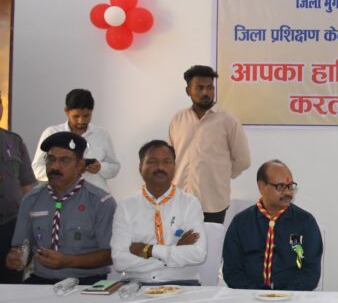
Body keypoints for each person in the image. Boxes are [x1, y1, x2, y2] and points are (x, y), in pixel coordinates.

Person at [5, 132, 116, 285]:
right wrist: (18, 256)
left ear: (80, 166)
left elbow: (110, 254)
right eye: (51, 159)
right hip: (42, 280)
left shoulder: (100, 201)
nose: (55, 166)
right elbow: (24, 244)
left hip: (86, 283)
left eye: (64, 160)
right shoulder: (31, 199)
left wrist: (68, 261)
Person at [110, 140, 207, 285]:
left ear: (174, 167)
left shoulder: (190, 204)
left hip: (182, 283)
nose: (160, 167)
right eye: (152, 162)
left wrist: (148, 250)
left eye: (167, 162)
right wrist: (173, 251)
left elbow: (198, 254)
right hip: (137, 284)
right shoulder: (126, 207)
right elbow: (119, 261)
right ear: (140, 167)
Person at [222, 160, 322, 290]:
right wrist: (257, 294)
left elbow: (311, 271)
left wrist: (284, 295)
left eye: (290, 186)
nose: (288, 193)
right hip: (249, 296)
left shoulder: (305, 222)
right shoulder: (241, 223)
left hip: (293, 297)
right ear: (262, 186)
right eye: (280, 186)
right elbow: (232, 271)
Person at [168, 65, 251, 223]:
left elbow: (243, 160)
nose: (206, 92)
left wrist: (222, 175)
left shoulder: (227, 120)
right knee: (177, 238)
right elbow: (170, 158)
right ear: (188, 91)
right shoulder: (178, 119)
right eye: (200, 88)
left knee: (210, 239)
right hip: (179, 200)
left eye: (210, 88)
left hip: (213, 203)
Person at [32, 88, 120, 192]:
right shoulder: (51, 133)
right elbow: (36, 168)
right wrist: (60, 173)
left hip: (96, 196)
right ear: (66, 112)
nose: (81, 121)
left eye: (86, 116)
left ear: (92, 111)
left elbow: (115, 167)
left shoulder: (102, 134)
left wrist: (100, 167)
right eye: (76, 116)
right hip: (60, 196)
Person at [0, 96, 38, 283]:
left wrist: (27, 229)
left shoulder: (14, 141)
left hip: (10, 227)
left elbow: (28, 188)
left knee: (11, 283)